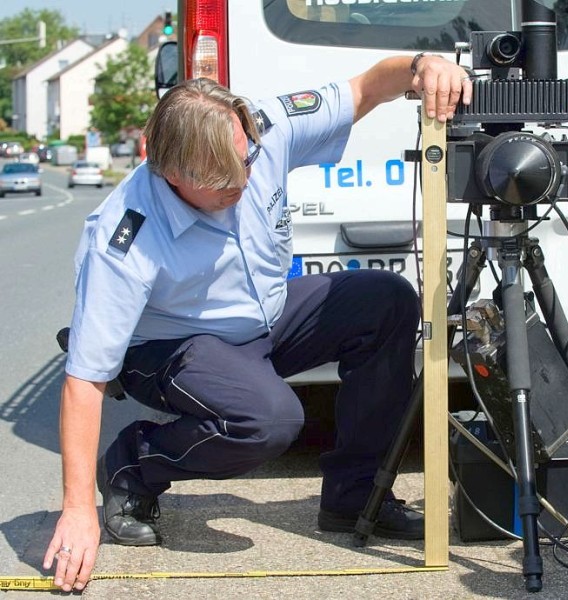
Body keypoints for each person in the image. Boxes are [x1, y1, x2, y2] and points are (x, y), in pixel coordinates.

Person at [42, 54, 472, 592]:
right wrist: (77, 509)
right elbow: (84, 380)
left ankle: (356, 495)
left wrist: (421, 67)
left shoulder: (264, 131)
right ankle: (135, 464)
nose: (243, 185)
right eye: (223, 183)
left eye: (247, 165)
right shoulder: (124, 235)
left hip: (262, 319)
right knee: (268, 421)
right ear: (171, 173)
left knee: (386, 300)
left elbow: (365, 88)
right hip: (174, 346)